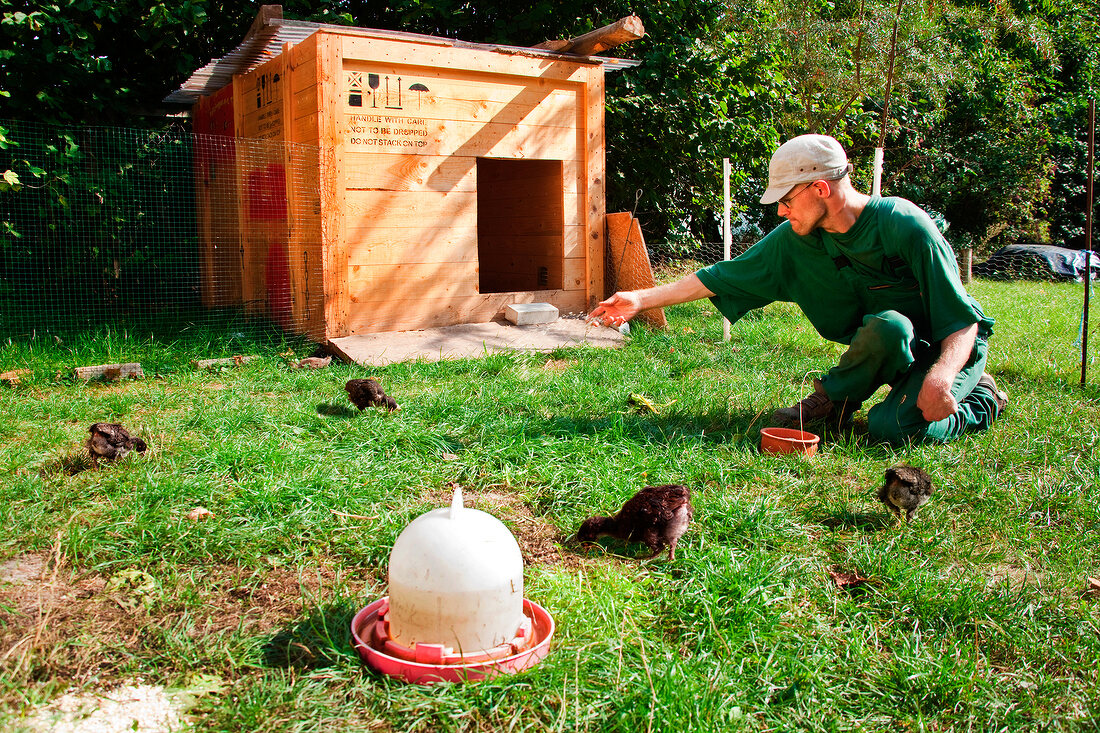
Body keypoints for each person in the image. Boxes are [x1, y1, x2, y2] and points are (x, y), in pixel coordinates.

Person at [589, 134, 1007, 444]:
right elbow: (721, 276)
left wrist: (941, 377)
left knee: (890, 430)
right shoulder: (797, 238)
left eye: (786, 199)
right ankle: (834, 404)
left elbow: (961, 322)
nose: (781, 210)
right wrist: (639, 299)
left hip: (951, 349)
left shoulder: (904, 225)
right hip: (898, 341)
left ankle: (981, 399)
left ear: (820, 188)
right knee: (890, 325)